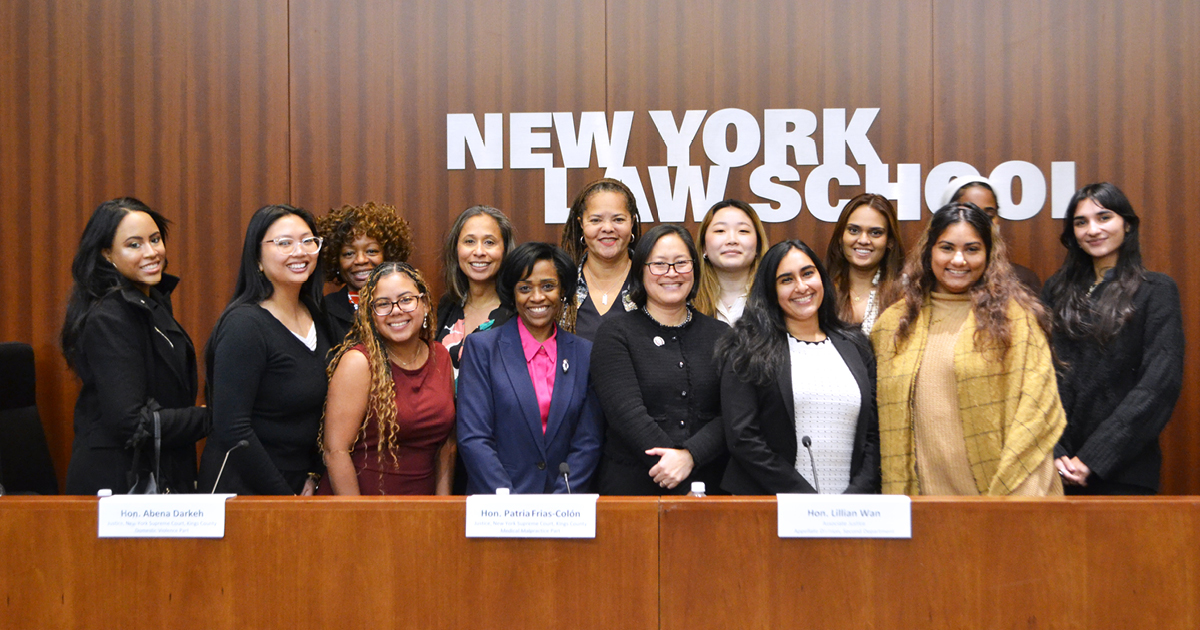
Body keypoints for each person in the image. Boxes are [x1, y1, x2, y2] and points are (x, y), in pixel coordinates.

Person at [871, 203, 1065, 496]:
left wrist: (1008, 502)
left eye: (972, 249)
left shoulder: (1017, 321)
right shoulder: (893, 325)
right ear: (929, 252)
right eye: (946, 248)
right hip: (919, 510)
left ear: (989, 255)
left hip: (1006, 499)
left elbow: (1037, 417)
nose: (958, 260)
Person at [61, 198, 210, 494]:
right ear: (107, 254)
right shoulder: (111, 316)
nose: (151, 252)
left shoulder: (149, 301)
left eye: (155, 239)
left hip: (156, 473)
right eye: (134, 244)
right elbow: (132, 423)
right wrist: (213, 417)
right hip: (120, 484)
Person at [1042, 183, 1183, 495]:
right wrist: (1055, 452)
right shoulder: (1055, 290)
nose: (1092, 230)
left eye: (1104, 217)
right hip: (1054, 469)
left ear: (1127, 224)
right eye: (1081, 222)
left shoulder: (1156, 290)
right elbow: (1035, 376)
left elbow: (1159, 385)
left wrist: (1094, 458)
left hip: (1125, 470)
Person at [717, 240, 879, 495]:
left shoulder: (857, 345)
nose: (801, 287)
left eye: (807, 273)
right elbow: (743, 438)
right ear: (771, 291)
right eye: (786, 280)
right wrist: (806, 501)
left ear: (821, 278)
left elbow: (874, 434)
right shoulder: (747, 348)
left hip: (850, 511)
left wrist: (854, 497)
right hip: (770, 506)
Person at [199, 204, 331, 495]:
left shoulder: (317, 316)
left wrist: (313, 474)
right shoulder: (244, 325)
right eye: (284, 243)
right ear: (257, 259)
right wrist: (283, 497)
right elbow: (232, 428)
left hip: (297, 482)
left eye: (308, 241)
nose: (300, 252)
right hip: (244, 487)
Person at [590, 225, 727, 495]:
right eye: (659, 265)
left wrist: (690, 456)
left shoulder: (722, 335)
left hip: (710, 486)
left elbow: (734, 413)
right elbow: (625, 413)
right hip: (633, 489)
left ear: (695, 269)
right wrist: (672, 469)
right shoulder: (615, 333)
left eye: (681, 263)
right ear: (640, 271)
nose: (671, 273)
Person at [457, 243, 604, 494]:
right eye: (525, 288)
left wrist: (561, 500)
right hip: (499, 506)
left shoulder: (585, 354)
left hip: (565, 509)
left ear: (563, 291)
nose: (537, 297)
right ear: (513, 294)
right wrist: (512, 504)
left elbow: (588, 441)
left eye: (548, 286)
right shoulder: (482, 349)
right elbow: (474, 438)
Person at [319, 262, 455, 495]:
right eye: (383, 304)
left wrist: (443, 507)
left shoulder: (440, 356)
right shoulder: (359, 363)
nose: (396, 310)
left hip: (424, 510)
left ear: (423, 304)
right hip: (362, 505)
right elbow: (336, 452)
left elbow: (446, 445)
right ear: (370, 315)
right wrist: (358, 520)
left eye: (406, 299)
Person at [316, 201, 413, 344]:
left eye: (371, 251)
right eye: (349, 253)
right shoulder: (324, 311)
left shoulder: (408, 304)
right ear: (336, 260)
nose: (361, 260)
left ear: (388, 255)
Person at [559, 178, 643, 340]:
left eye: (618, 219)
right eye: (596, 220)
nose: (607, 228)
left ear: (632, 222)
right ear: (581, 224)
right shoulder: (561, 284)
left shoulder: (651, 281)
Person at [436, 205, 516, 375]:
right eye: (469, 241)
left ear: (505, 250)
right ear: (456, 249)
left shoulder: (517, 313)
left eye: (489, 242)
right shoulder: (447, 306)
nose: (479, 251)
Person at [940, 176, 1042, 294]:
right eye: (970, 213)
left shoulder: (1022, 279)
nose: (982, 222)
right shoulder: (921, 281)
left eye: (989, 215)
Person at [824, 193, 905, 333]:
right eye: (854, 230)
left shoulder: (905, 292)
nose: (863, 240)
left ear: (890, 241)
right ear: (840, 237)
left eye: (875, 233)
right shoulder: (820, 289)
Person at [693, 199, 770, 325]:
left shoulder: (775, 298)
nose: (732, 240)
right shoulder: (687, 301)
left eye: (743, 231)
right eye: (720, 231)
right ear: (704, 247)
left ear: (758, 245)